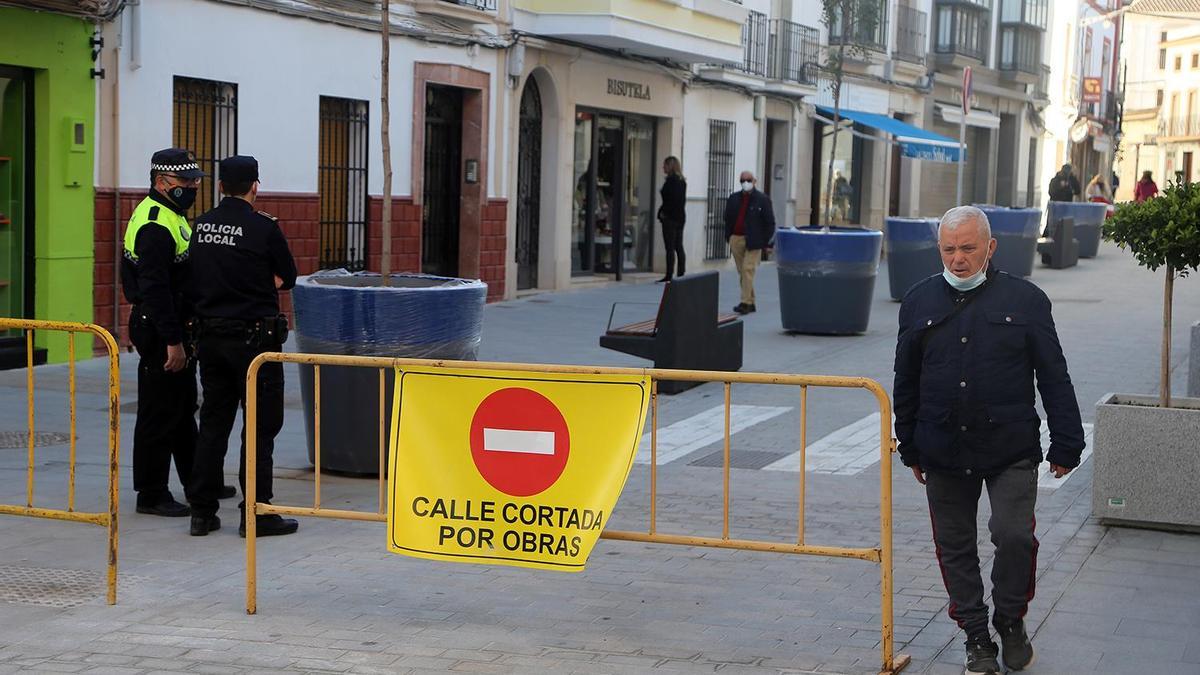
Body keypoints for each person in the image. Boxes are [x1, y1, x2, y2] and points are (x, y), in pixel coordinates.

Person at [893, 206, 1085, 675]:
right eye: (949, 249)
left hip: (1009, 446)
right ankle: (978, 638)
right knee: (955, 546)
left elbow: (1053, 375)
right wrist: (909, 444)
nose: (958, 259)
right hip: (941, 446)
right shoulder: (918, 301)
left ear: (990, 247)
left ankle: (1011, 620)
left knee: (1013, 535)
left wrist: (1067, 442)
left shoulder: (1027, 300)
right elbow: (906, 379)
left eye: (968, 248)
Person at [186, 155, 299, 538]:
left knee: (213, 424)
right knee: (260, 428)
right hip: (254, 342)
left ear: (220, 187)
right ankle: (257, 513)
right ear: (255, 186)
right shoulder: (263, 228)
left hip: (211, 340)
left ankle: (201, 512)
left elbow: (192, 276)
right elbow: (288, 278)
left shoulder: (199, 227)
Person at [120, 148, 203, 518]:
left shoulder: (172, 213)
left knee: (182, 408)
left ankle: (198, 481)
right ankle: (151, 493)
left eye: (194, 180)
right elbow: (155, 289)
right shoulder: (155, 222)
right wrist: (172, 341)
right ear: (161, 182)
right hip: (159, 326)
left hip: (170, 323)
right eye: (184, 181)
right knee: (159, 412)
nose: (192, 186)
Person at [723, 171, 776, 315]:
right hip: (736, 239)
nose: (745, 182)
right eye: (742, 180)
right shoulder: (733, 198)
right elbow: (727, 218)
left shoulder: (762, 199)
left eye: (748, 180)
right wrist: (729, 236)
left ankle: (745, 302)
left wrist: (768, 243)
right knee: (743, 272)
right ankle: (751, 301)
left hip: (754, 240)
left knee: (747, 269)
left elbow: (770, 222)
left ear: (754, 181)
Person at [656, 156, 687, 282]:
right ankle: (681, 272)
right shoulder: (681, 181)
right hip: (680, 217)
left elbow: (671, 201)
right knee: (678, 245)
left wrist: (663, 213)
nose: (663, 167)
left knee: (670, 247)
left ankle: (669, 274)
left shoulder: (671, 182)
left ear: (671, 166)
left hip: (671, 218)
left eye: (665, 165)